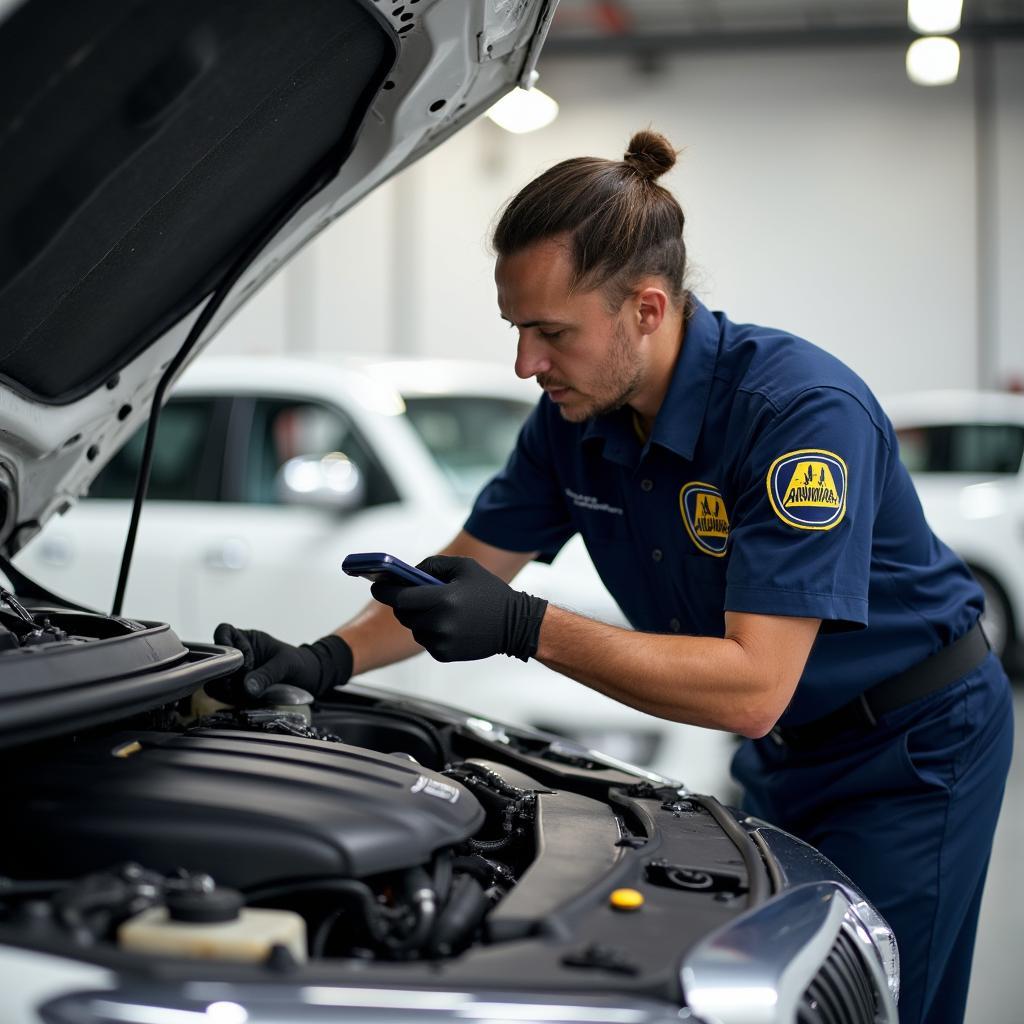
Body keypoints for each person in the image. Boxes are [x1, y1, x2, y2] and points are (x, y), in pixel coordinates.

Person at [215, 130, 1013, 1024]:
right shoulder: (573, 418)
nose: (526, 363)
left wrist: (527, 626)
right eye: (518, 330)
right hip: (786, 755)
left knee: (866, 1004)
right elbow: (458, 579)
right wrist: (323, 662)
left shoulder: (794, 418)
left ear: (646, 308)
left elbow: (753, 688)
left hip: (910, 750)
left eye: (550, 332)